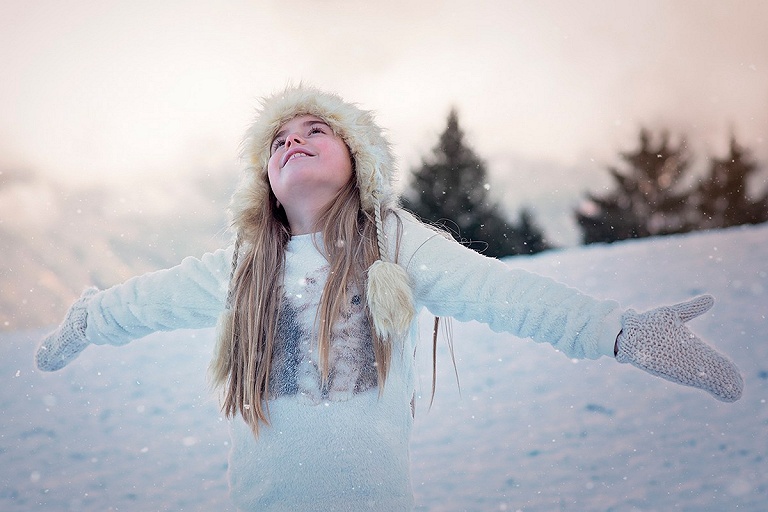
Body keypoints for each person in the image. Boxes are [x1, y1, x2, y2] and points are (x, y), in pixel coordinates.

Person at [35, 85, 744, 511]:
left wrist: (618, 331)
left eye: (317, 131)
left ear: (358, 162)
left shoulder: (396, 245)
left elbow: (501, 293)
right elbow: (148, 300)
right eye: (279, 139)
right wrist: (89, 318)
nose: (295, 142)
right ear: (264, 179)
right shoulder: (245, 267)